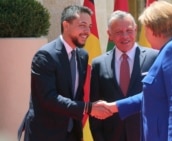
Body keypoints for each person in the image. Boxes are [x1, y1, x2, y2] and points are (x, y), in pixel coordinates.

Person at [100, 1, 172, 141]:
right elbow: (152, 94)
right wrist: (114, 107)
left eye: (145, 28)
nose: (144, 33)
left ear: (153, 28)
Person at [17, 5, 112, 141]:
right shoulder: (45, 56)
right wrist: (88, 108)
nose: (87, 32)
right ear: (66, 25)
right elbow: (49, 98)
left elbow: (77, 95)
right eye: (82, 25)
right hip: (45, 134)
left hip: (72, 134)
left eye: (90, 27)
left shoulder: (83, 56)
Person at [89, 10, 158, 141]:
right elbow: (96, 108)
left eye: (129, 30)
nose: (125, 36)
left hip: (145, 135)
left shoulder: (154, 57)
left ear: (136, 30)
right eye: (119, 32)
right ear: (109, 34)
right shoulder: (99, 64)